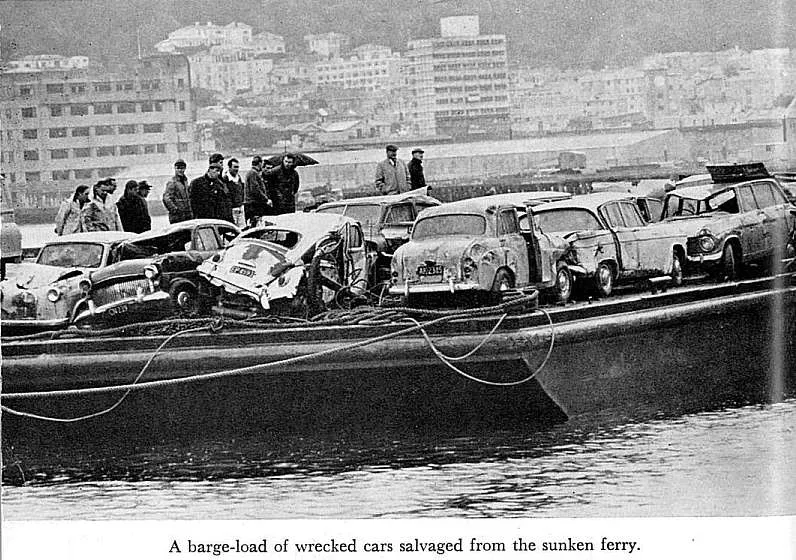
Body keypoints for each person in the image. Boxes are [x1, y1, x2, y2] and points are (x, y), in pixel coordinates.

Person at [244, 155, 272, 227]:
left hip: (252, 205)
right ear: (260, 163)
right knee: (254, 225)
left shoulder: (252, 173)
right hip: (253, 205)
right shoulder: (253, 173)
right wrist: (266, 199)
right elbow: (255, 190)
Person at [163, 159, 192, 223]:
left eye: (182, 168)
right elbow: (166, 198)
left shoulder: (185, 182)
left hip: (187, 215)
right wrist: (175, 210)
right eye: (178, 168)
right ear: (175, 169)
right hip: (177, 217)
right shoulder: (172, 182)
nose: (180, 170)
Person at [223, 157, 245, 228]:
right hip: (232, 210)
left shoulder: (239, 178)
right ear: (229, 167)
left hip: (240, 208)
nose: (237, 169)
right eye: (235, 167)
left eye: (238, 167)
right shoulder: (225, 179)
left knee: (242, 228)